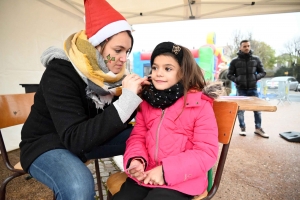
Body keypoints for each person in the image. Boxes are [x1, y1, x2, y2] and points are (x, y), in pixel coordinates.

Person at [19, 0, 149, 199]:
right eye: (118, 50)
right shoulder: (61, 72)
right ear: (96, 46)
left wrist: (137, 96)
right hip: (47, 143)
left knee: (149, 137)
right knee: (78, 185)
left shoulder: (102, 76)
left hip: (85, 138)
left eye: (127, 51)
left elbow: (102, 120)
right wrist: (127, 100)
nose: (124, 58)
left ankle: (155, 188)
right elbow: (75, 138)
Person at [112, 42, 223, 200]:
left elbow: (206, 152)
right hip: (146, 175)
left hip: (183, 181)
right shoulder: (147, 102)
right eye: (155, 67)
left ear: (183, 72)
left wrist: (166, 171)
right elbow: (137, 137)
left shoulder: (200, 105)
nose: (158, 73)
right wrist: (136, 159)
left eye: (168, 68)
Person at [227, 40, 268, 138]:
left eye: (248, 46)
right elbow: (229, 75)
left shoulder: (256, 59)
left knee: (257, 110)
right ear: (240, 47)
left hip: (253, 88)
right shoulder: (234, 61)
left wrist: (255, 78)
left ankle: (258, 128)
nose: (247, 48)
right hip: (241, 89)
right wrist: (237, 80)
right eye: (244, 46)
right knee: (240, 110)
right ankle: (242, 128)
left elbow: (263, 72)